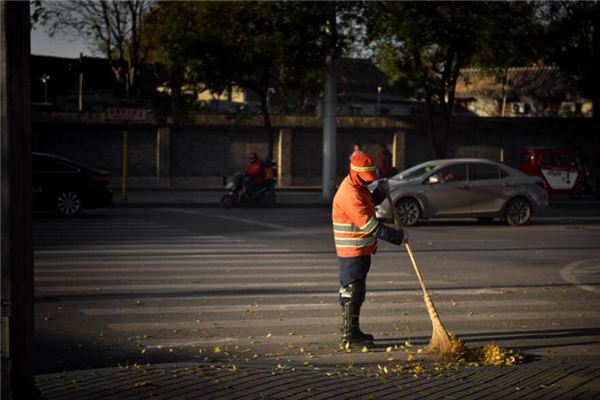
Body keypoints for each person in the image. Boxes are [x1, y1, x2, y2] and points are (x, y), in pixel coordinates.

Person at [332, 152, 408, 349]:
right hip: (352, 250)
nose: (368, 182)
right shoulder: (350, 194)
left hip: (360, 248)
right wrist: (398, 237)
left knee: (357, 290)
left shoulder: (358, 186)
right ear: (355, 173)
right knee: (352, 290)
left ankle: (353, 329)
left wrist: (380, 193)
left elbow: (368, 203)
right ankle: (349, 335)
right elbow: (370, 226)